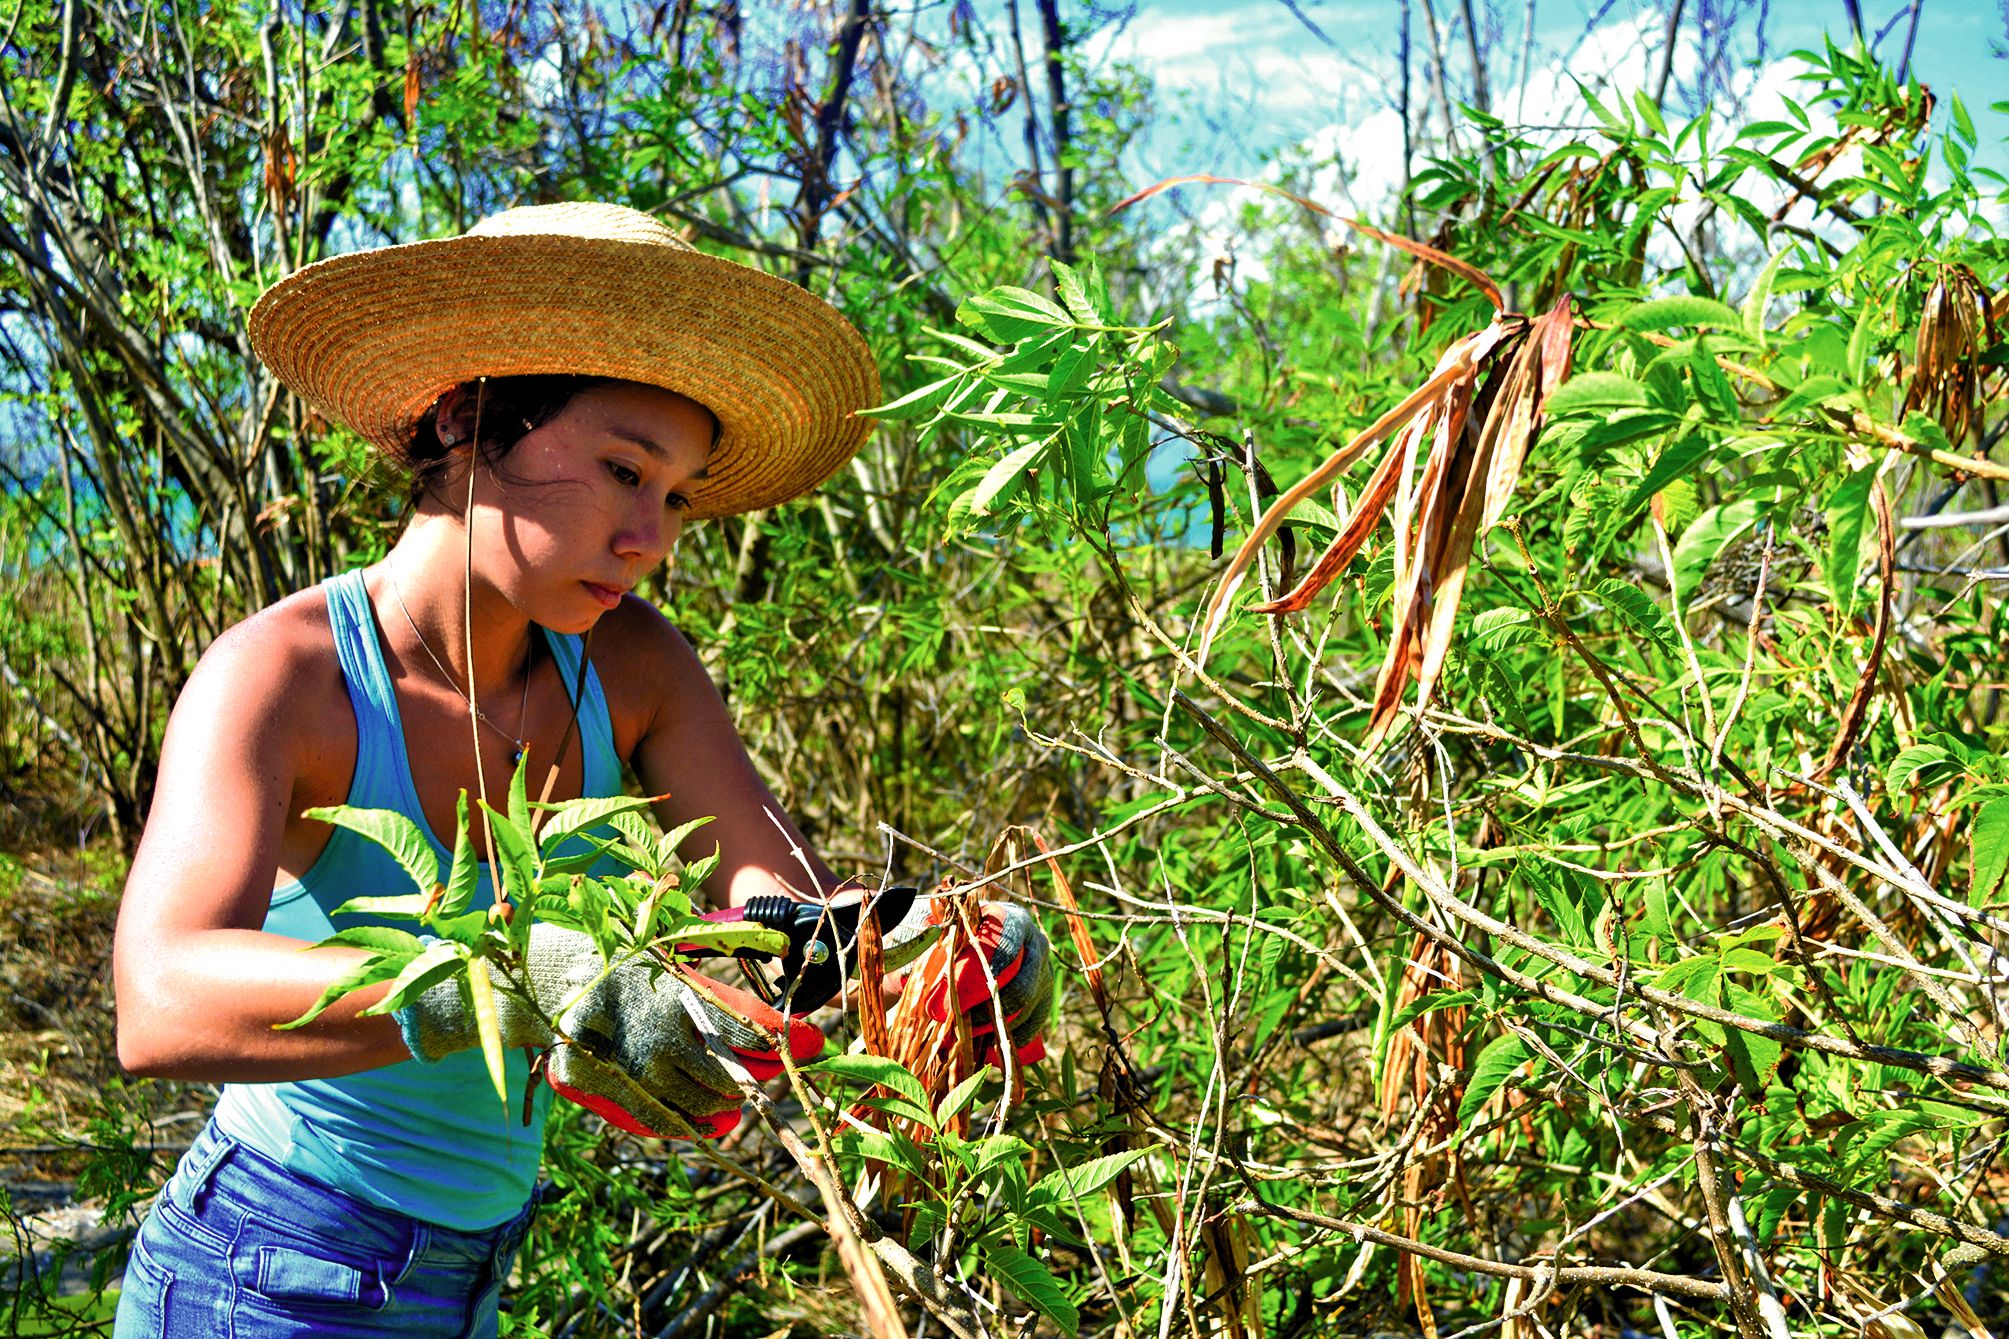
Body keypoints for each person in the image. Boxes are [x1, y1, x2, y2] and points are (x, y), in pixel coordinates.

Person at [109, 201, 1052, 1337]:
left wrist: (910, 942)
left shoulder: (636, 662)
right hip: (264, 1269)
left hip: (472, 1273)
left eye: (673, 496)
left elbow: (772, 905)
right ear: (468, 417)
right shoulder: (287, 677)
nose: (648, 536)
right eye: (620, 468)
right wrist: (505, 981)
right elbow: (159, 999)